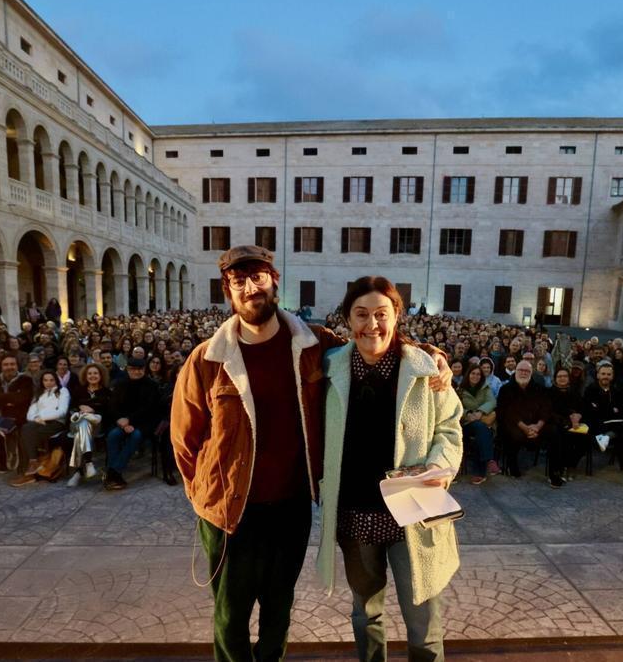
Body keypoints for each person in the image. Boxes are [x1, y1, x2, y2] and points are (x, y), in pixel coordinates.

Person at [172, 247, 449, 661]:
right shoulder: (207, 359)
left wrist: (431, 356)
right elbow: (184, 441)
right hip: (231, 512)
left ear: (274, 280)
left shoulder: (314, 345)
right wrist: (205, 496)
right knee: (230, 616)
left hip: (290, 507)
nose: (251, 288)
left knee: (279, 611)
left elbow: (374, 342)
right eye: (239, 281)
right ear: (228, 291)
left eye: (259, 277)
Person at [316, 276, 463, 661]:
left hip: (414, 514)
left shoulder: (425, 367)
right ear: (348, 318)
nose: (372, 325)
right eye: (361, 315)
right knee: (365, 614)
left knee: (424, 620)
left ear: (397, 315)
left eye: (381, 314)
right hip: (356, 515)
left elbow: (450, 427)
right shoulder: (330, 369)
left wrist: (439, 465)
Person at [583, 362, 623, 493]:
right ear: (598, 375)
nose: (606, 376)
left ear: (613, 376)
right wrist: (610, 412)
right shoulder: (590, 390)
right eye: (603, 374)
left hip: (615, 426)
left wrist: (612, 412)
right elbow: (591, 413)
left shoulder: (618, 391)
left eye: (609, 374)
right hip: (597, 427)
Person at [104, 357, 163, 490]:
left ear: (144, 370)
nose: (136, 372)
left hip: (144, 422)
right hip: (122, 421)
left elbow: (149, 408)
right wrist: (121, 420)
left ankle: (113, 471)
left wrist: (130, 420)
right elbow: (112, 406)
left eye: (140, 369)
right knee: (113, 435)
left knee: (135, 435)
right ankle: (115, 473)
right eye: (133, 369)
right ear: (128, 369)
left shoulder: (152, 385)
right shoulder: (120, 384)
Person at [496, 360, 555, 480]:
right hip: (515, 425)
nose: (523, 373)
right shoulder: (505, 389)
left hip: (535, 425)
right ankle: (512, 466)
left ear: (531, 373)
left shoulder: (539, 389)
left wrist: (538, 426)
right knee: (510, 432)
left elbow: (546, 408)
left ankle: (554, 471)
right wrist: (524, 427)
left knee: (554, 431)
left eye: (527, 371)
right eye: (521, 370)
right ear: (515, 371)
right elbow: (506, 412)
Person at [12, 371, 70, 486]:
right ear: (42, 381)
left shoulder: (62, 391)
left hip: (56, 423)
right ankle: (32, 466)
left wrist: (42, 417)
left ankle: (28, 470)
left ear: (56, 380)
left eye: (51, 380)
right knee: (26, 430)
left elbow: (62, 412)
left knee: (25, 432)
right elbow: (30, 414)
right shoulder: (39, 394)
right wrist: (37, 418)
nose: (48, 383)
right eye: (45, 380)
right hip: (38, 423)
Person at [0, 354, 35, 473]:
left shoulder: (25, 379)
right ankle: (0, 460)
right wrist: (9, 400)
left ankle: (13, 461)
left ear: (17, 366)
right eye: (6, 364)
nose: (9, 367)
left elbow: (23, 398)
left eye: (12, 364)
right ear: (1, 366)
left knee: (12, 429)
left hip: (18, 416)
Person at [65, 363, 110, 487]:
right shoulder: (78, 390)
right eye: (90, 373)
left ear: (101, 375)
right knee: (83, 423)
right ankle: (88, 463)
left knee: (82, 431)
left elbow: (108, 411)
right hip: (76, 423)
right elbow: (71, 408)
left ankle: (78, 473)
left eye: (95, 373)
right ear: (85, 375)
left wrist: (93, 409)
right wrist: (79, 408)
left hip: (96, 426)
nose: (92, 376)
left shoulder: (106, 392)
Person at [457, 364, 499, 484]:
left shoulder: (485, 388)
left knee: (480, 433)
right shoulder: (460, 389)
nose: (476, 376)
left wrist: (480, 412)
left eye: (478, 374)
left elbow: (492, 401)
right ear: (468, 374)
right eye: (473, 373)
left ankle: (480, 472)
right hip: (467, 423)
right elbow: (456, 406)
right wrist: (468, 413)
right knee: (480, 428)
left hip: (482, 421)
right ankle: (489, 461)